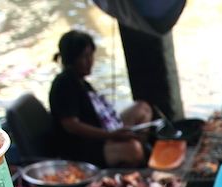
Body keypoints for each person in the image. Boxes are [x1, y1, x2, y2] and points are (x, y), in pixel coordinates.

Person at [49, 30, 153, 167]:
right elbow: (71, 126)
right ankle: (133, 156)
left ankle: (136, 145)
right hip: (84, 147)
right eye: (84, 57)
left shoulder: (81, 82)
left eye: (91, 55)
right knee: (133, 150)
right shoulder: (64, 84)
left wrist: (116, 133)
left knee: (143, 108)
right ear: (71, 59)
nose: (90, 61)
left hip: (103, 130)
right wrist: (110, 135)